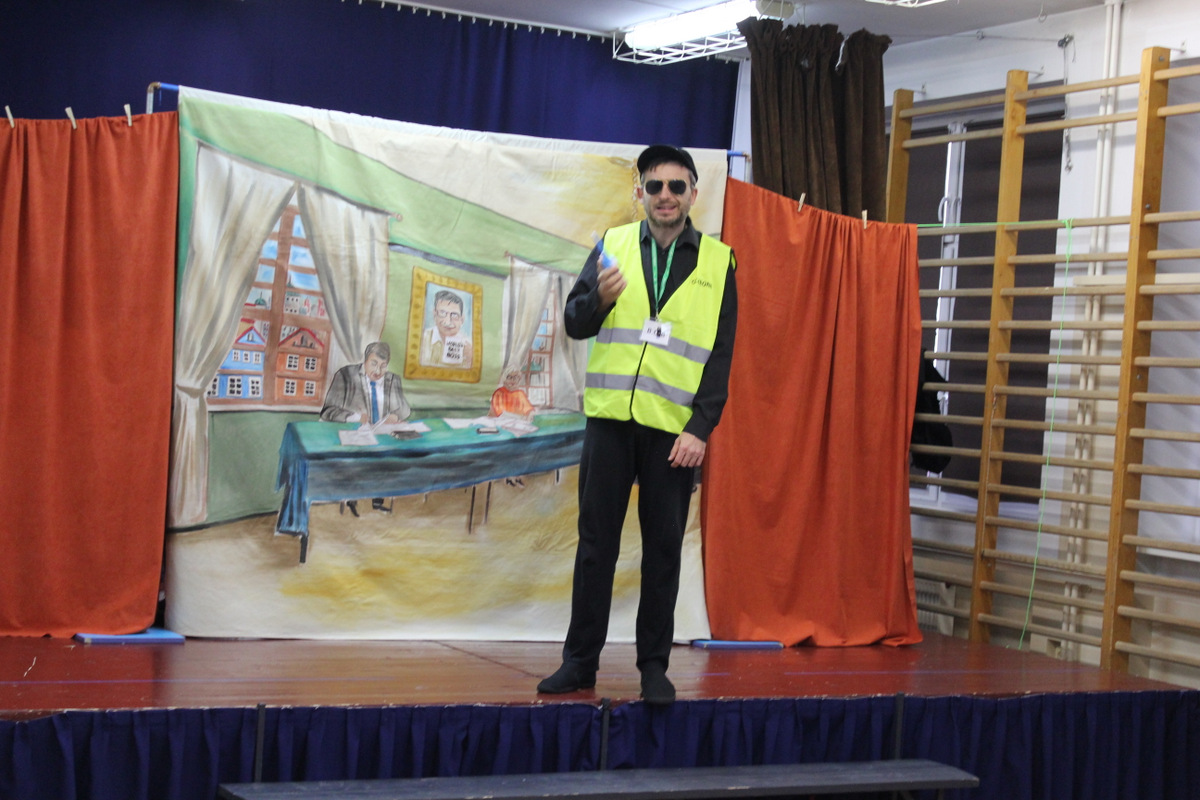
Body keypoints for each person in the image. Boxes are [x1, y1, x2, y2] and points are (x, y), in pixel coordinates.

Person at [537, 145, 738, 705]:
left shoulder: (719, 262)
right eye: (655, 186)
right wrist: (598, 300)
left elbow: (721, 355)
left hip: (672, 433)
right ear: (640, 193)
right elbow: (575, 323)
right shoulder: (614, 244)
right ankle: (579, 663)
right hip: (610, 424)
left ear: (693, 193)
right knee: (594, 547)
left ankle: (654, 667)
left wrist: (700, 428)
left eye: (676, 186)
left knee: (664, 550)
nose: (665, 196)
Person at [320, 341, 411, 515]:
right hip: (355, 435)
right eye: (374, 364)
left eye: (383, 366)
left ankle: (378, 501)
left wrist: (395, 415)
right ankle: (352, 500)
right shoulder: (346, 375)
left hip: (382, 436)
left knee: (388, 458)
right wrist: (355, 417)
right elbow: (328, 411)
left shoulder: (393, 380)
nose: (378, 371)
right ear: (365, 360)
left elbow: (405, 409)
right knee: (358, 461)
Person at [419, 290, 474, 368]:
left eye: (454, 315)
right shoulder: (421, 339)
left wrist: (470, 360)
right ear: (435, 315)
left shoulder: (469, 347)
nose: (448, 321)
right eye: (442, 313)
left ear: (462, 320)